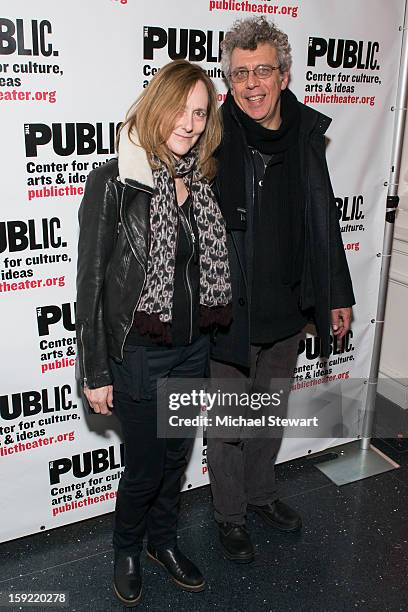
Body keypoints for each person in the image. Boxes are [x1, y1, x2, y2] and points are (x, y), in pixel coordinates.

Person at [76, 59, 231, 606]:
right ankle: (126, 548)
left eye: (199, 112)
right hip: (139, 356)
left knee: (174, 462)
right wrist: (95, 370)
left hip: (192, 353)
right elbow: (91, 284)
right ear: (156, 105)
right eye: (180, 109)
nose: (188, 123)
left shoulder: (201, 185)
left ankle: (162, 544)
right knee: (144, 467)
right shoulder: (115, 182)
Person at [208, 17, 355, 563]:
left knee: (269, 415)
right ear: (230, 81)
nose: (251, 83)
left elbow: (323, 220)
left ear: (285, 75)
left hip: (287, 308)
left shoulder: (307, 136)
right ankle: (229, 515)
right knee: (227, 426)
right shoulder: (213, 136)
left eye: (262, 70)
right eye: (241, 73)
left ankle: (262, 494)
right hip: (228, 312)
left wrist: (335, 293)